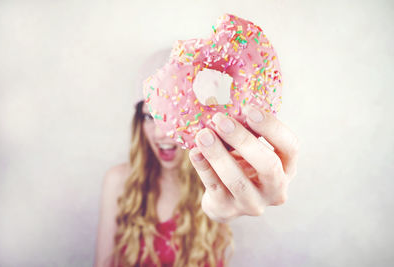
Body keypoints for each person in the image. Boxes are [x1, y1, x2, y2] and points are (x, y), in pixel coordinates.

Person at [94, 51, 300, 267]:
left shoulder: (216, 183)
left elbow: (223, 205)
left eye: (173, 117)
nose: (159, 134)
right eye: (149, 117)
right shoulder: (118, 181)